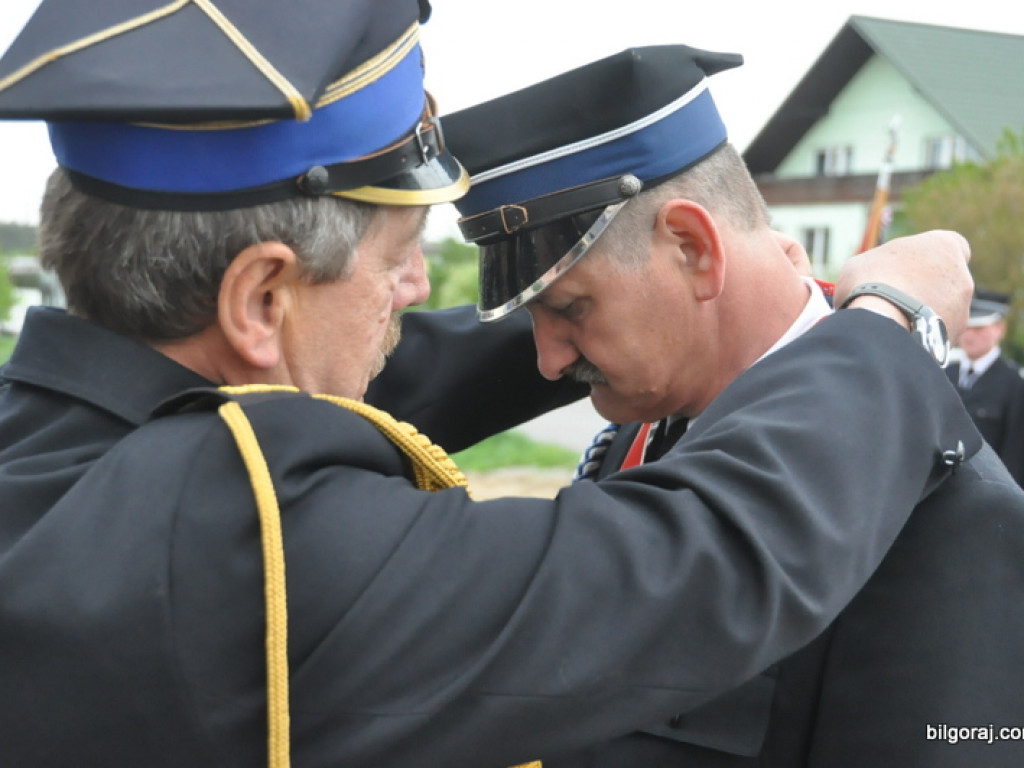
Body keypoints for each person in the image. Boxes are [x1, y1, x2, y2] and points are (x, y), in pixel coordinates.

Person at [0, 4, 983, 767]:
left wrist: (640, 319)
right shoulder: (242, 545)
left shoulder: (56, 442)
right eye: (396, 259)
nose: (421, 290)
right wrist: (892, 318)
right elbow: (716, 557)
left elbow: (370, 374)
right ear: (260, 297)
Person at [442, 44, 1024, 766]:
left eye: (570, 308)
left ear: (693, 247)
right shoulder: (647, 429)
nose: (548, 360)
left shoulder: (941, 510)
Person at [946, 288, 1024, 484]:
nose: (970, 336)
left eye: (979, 328)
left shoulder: (1014, 385)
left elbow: (1015, 453)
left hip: (987, 493)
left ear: (1000, 329)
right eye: (966, 327)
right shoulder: (944, 373)